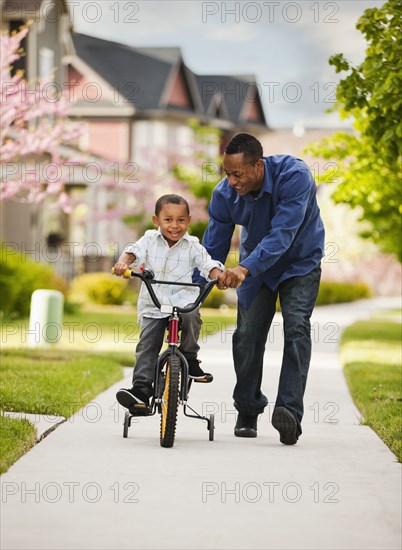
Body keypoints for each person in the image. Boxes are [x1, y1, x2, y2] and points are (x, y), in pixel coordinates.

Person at [204, 133, 325, 445]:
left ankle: (288, 412)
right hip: (256, 269)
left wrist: (243, 268)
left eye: (237, 174)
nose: (231, 181)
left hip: (299, 263)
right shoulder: (224, 195)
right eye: (227, 174)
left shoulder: (294, 177)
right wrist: (194, 290)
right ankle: (247, 408)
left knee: (296, 327)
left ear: (258, 166)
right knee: (247, 334)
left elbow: (283, 234)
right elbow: (211, 250)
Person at [113, 194, 224, 411]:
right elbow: (132, 253)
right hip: (154, 303)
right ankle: (141, 390)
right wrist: (122, 263)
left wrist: (217, 275)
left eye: (181, 220)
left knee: (192, 316)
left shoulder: (192, 245)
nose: (175, 225)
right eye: (168, 220)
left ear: (188, 221)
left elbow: (206, 264)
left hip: (182, 299)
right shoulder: (148, 240)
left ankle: (190, 357)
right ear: (156, 221)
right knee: (148, 345)